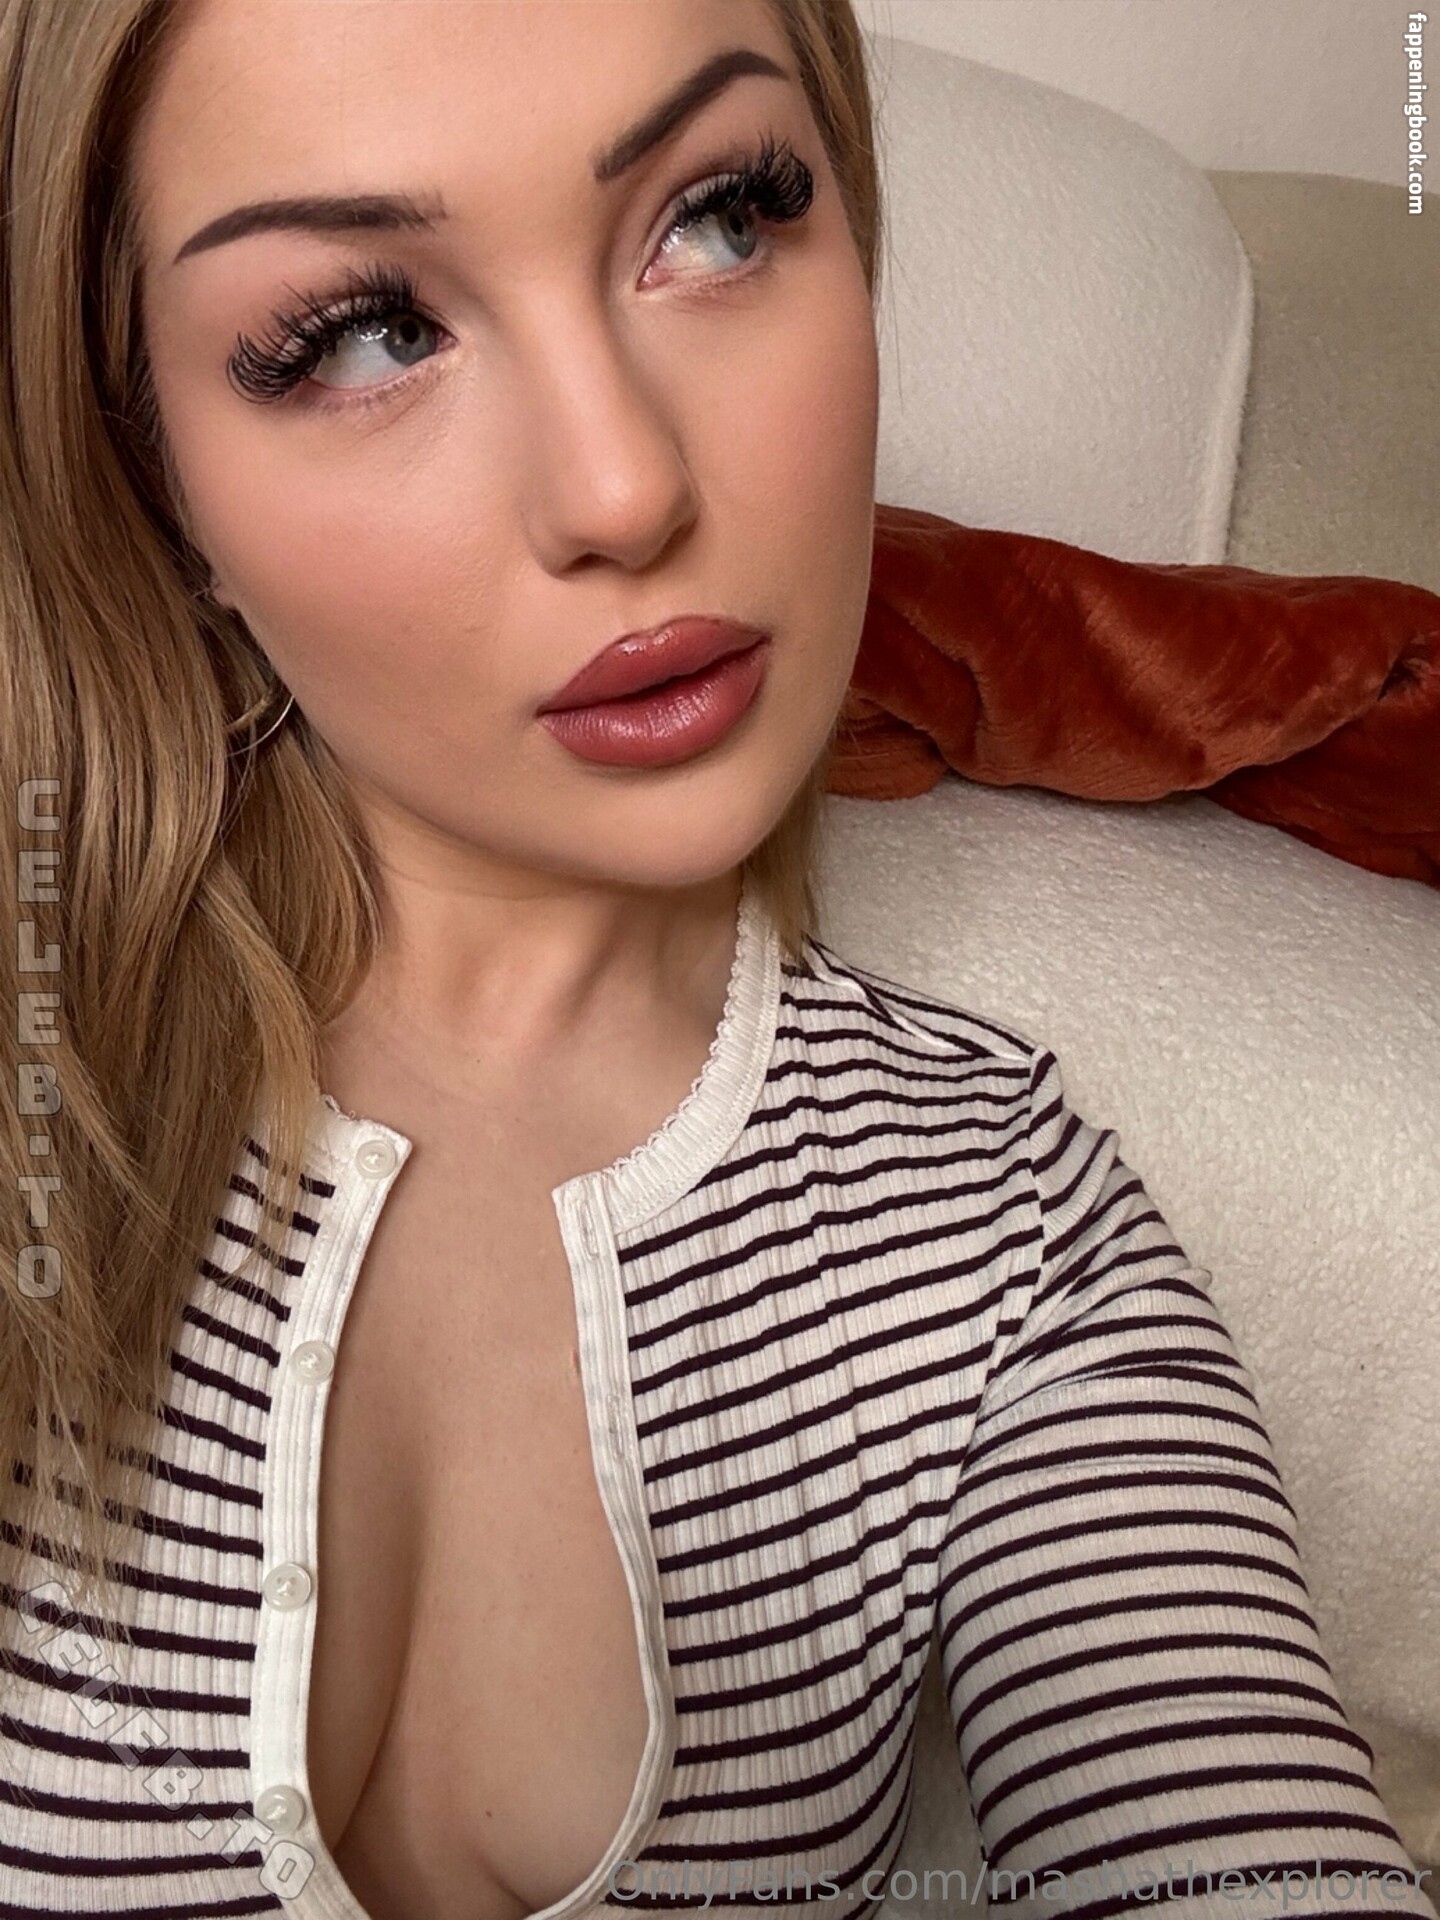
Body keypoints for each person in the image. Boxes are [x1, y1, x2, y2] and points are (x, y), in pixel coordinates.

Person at [0, 3, 1432, 1918]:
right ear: (157, 483)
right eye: (361, 330)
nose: (625, 487)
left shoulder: (1001, 1225)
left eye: (723, 216)